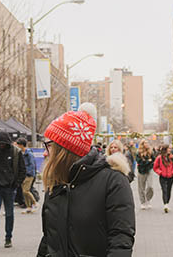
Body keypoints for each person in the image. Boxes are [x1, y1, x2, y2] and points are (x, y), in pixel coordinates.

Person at [37, 110, 135, 256]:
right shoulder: (56, 182)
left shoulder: (113, 181)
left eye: (49, 145)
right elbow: (49, 238)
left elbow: (121, 241)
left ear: (66, 149)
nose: (45, 153)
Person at [153, 144, 173, 212]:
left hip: (171, 176)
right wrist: (160, 172)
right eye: (169, 148)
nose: (170, 150)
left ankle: (167, 202)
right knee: (164, 190)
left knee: (169, 190)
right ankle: (165, 205)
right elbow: (155, 167)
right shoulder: (159, 158)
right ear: (165, 149)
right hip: (163, 177)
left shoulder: (172, 157)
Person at [15, 138, 38, 213]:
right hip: (23, 175)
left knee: (26, 190)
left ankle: (34, 203)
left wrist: (29, 173)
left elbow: (32, 165)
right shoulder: (21, 153)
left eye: (18, 144)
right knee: (23, 191)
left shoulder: (29, 154)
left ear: (21, 145)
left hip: (29, 175)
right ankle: (28, 207)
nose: (17, 146)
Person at [135, 139, 156, 209]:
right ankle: (143, 202)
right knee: (141, 187)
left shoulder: (151, 152)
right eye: (145, 143)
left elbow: (153, 160)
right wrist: (148, 161)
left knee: (150, 186)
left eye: (147, 143)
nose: (147, 144)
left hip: (149, 170)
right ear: (142, 144)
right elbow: (139, 162)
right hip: (141, 171)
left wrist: (146, 161)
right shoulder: (138, 152)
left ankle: (148, 199)